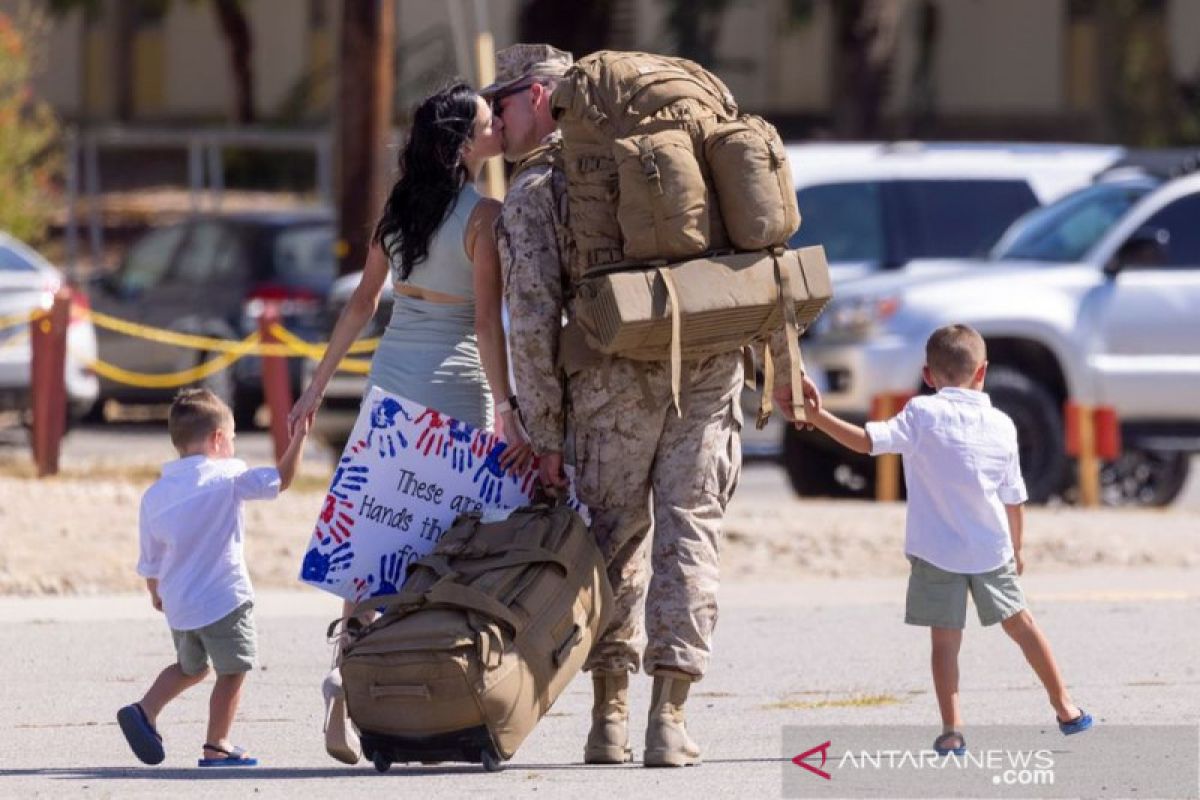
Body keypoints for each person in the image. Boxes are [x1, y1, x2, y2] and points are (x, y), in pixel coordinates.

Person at [486, 44, 821, 767]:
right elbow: (744, 263)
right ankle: (669, 719)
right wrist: (780, 365)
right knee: (689, 534)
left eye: (505, 101)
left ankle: (609, 719)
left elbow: (533, 314)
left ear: (541, 98)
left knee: (611, 544)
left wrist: (542, 431)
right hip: (709, 364)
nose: (497, 117)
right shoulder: (682, 143)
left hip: (611, 376)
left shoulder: (542, 186)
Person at [287, 80, 532, 764]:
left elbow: (361, 305)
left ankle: (348, 676)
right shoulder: (482, 216)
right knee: (448, 539)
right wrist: (508, 408)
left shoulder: (399, 207)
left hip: (391, 386)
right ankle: (435, 684)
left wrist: (315, 390)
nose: (497, 133)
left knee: (376, 539)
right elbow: (486, 325)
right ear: (462, 143)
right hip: (456, 387)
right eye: (487, 124)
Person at [800, 324, 1093, 754]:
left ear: (927, 374)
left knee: (945, 643)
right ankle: (1066, 706)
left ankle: (952, 730)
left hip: (936, 552)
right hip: (991, 549)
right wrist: (1017, 548)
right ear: (983, 372)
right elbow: (1014, 498)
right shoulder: (1002, 424)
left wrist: (814, 416)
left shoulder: (920, 414)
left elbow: (866, 442)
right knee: (1023, 626)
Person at [117, 387, 309, 767]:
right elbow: (281, 480)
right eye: (234, 437)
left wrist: (155, 591)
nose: (234, 446)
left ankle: (145, 709)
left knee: (191, 667)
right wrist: (299, 437)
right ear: (218, 439)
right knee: (233, 668)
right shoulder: (228, 477)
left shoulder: (155, 494)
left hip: (179, 602)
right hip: (224, 597)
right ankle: (217, 743)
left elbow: (151, 557)